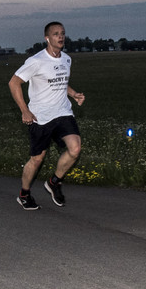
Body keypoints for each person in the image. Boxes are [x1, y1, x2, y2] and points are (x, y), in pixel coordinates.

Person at [8, 21, 86, 209]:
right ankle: (24, 194)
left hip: (63, 112)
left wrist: (73, 94)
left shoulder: (66, 59)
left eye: (63, 33)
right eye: (56, 34)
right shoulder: (36, 61)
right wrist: (25, 110)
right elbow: (14, 83)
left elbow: (60, 81)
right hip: (40, 117)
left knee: (75, 148)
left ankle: (54, 182)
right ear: (47, 38)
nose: (60, 37)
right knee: (37, 159)